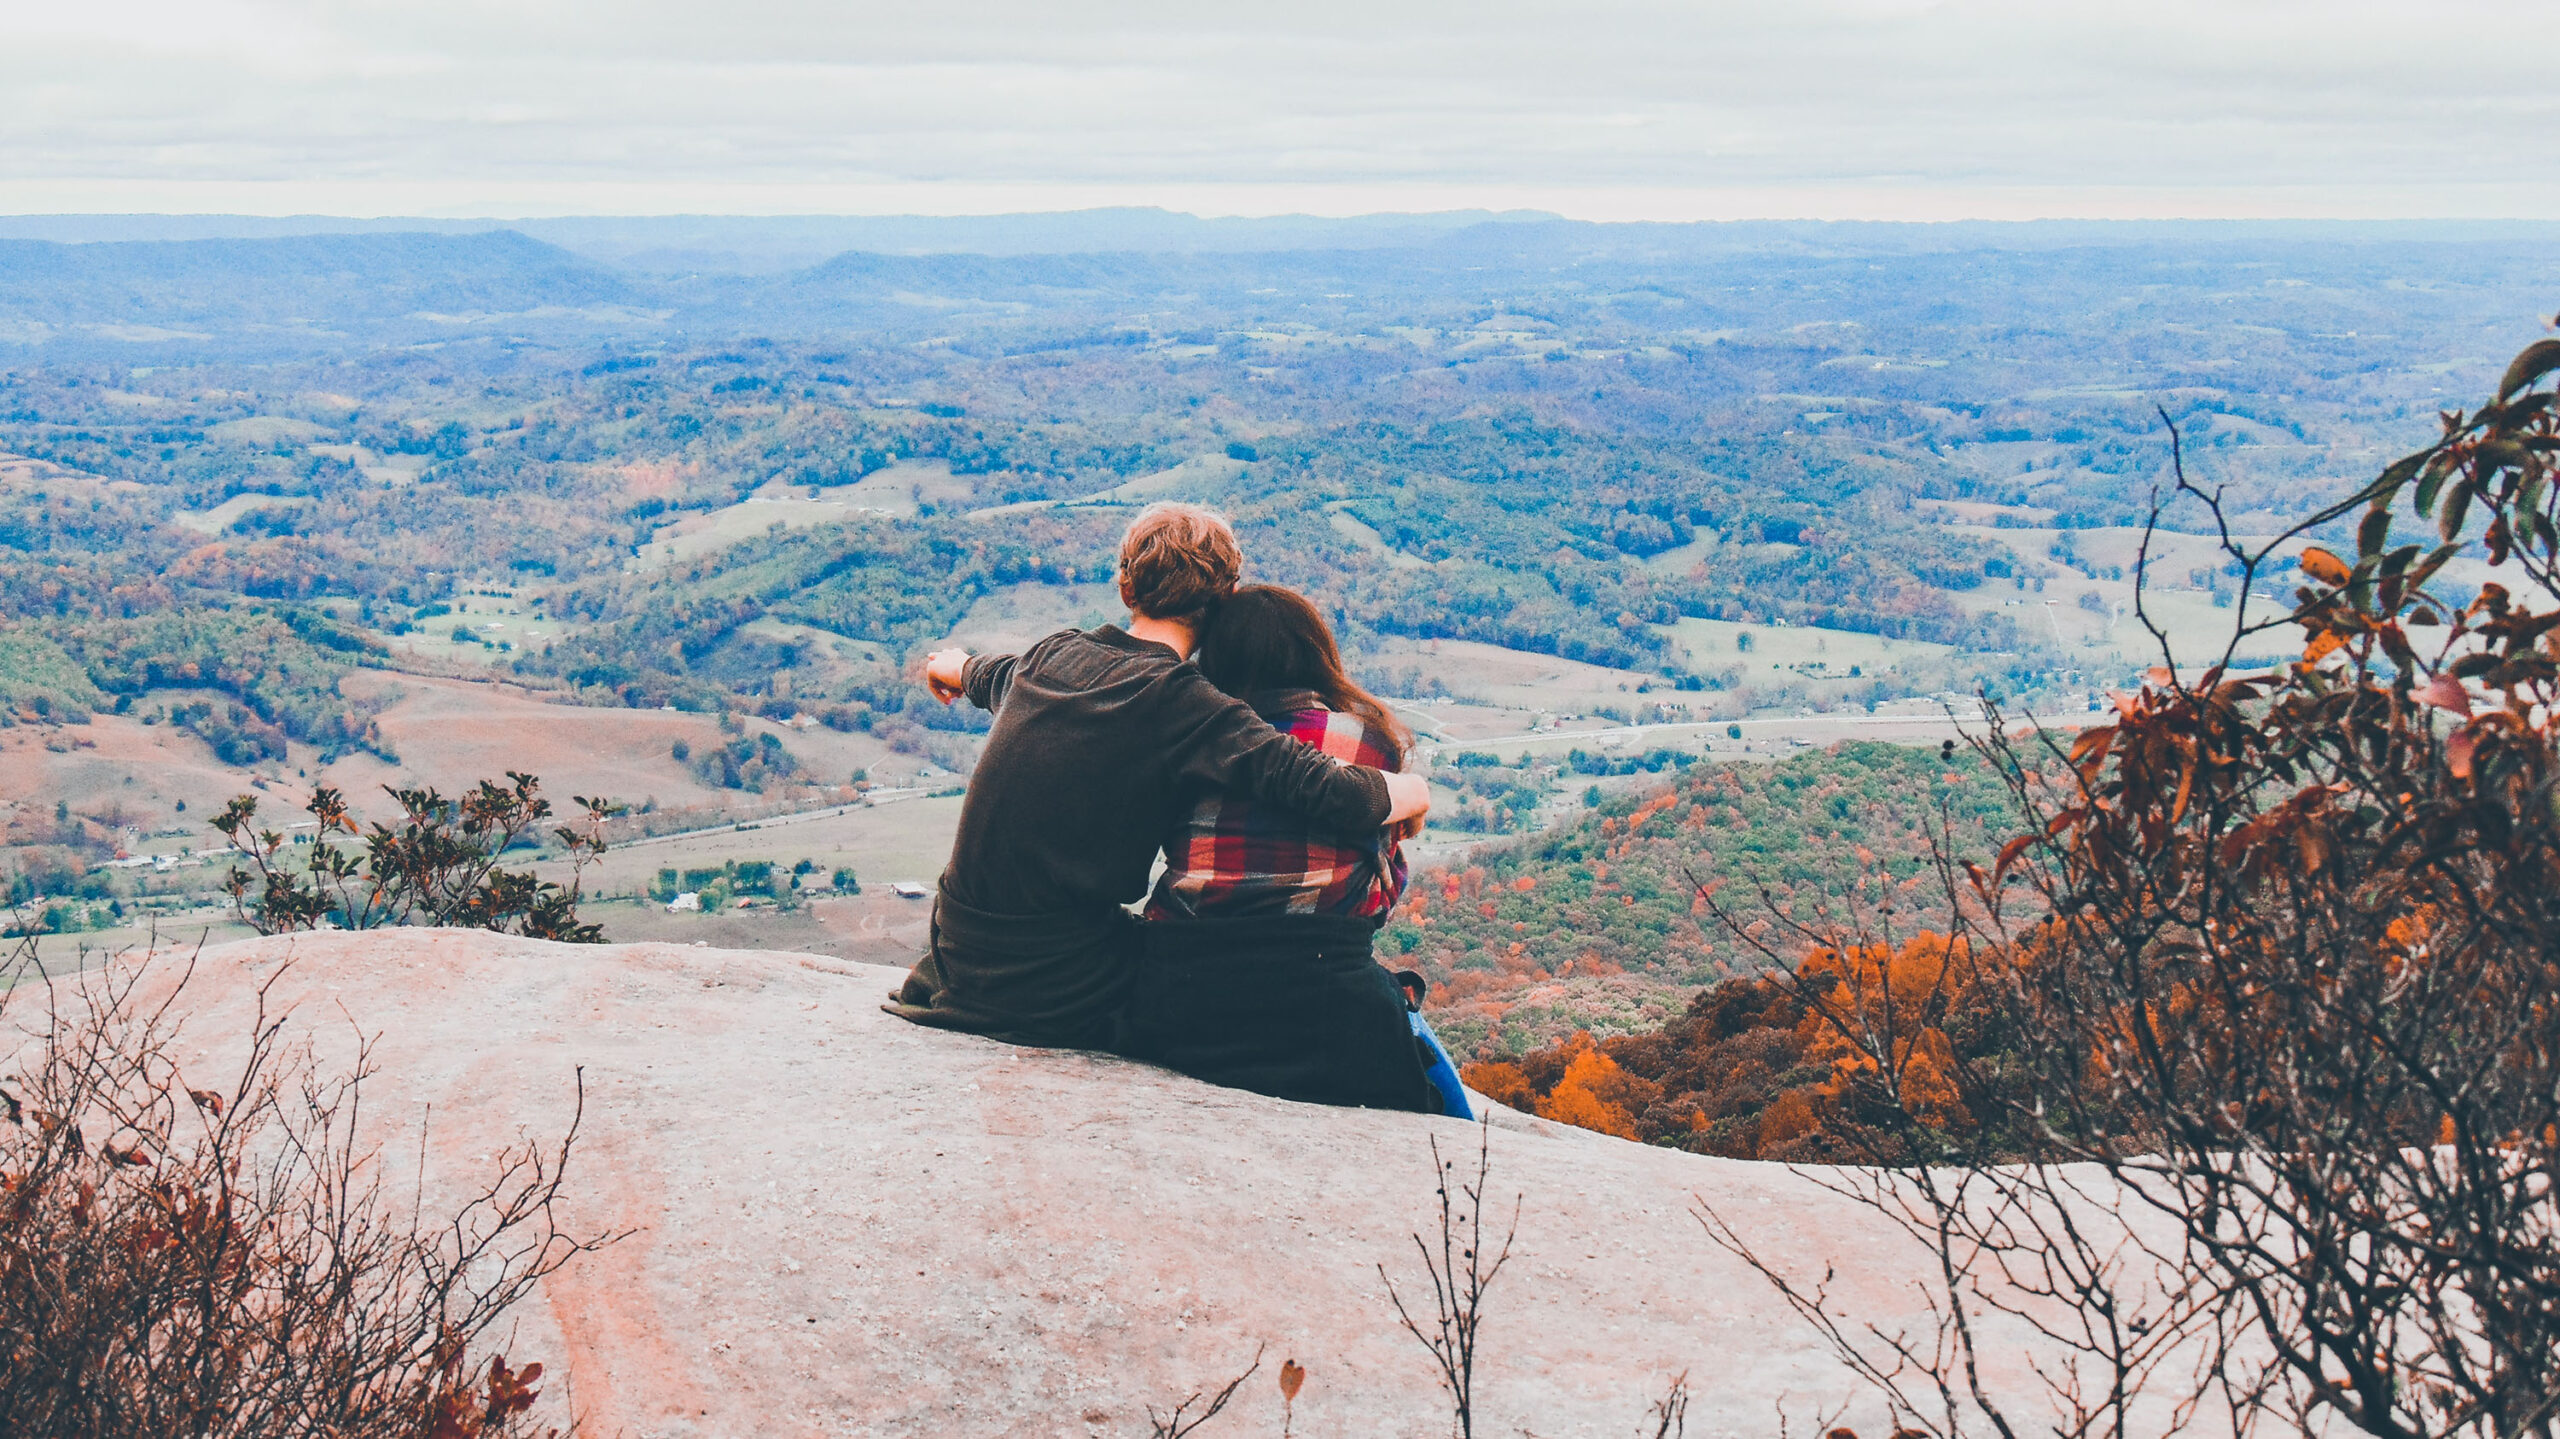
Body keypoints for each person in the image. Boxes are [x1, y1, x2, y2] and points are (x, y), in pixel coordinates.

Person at [885, 504, 1431, 1050]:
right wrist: (1415, 792)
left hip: (954, 952)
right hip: (1051, 982)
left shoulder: (1051, 656)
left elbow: (989, 674)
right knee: (1201, 966)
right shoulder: (1188, 704)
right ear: (1224, 602)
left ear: (1126, 590)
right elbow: (1328, 790)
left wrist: (950, 665)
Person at [1121, 584, 1473, 1117]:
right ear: (1316, 651)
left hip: (1182, 998)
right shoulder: (1366, 742)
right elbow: (1383, 889)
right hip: (1327, 1003)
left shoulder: (1185, 739)